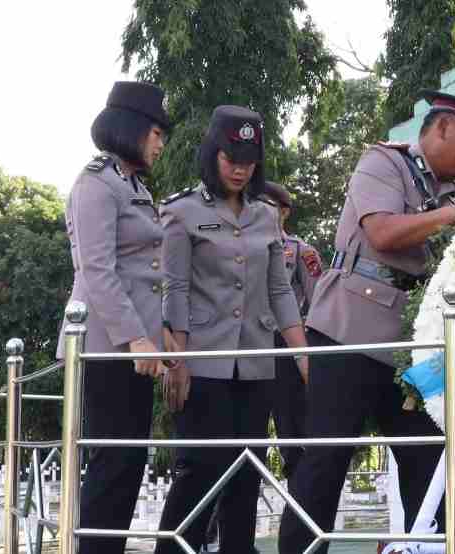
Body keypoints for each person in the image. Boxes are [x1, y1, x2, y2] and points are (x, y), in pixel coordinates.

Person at [278, 90, 455, 554]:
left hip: (409, 347)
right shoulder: (385, 162)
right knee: (325, 462)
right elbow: (381, 232)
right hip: (348, 333)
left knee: (428, 464)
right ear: (442, 127)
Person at [155, 106, 308, 554]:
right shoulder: (181, 211)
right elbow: (175, 289)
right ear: (212, 155)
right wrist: (179, 362)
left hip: (257, 363)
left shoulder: (265, 215)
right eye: (230, 158)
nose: (240, 169)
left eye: (249, 161)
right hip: (202, 363)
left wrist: (304, 357)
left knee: (247, 472)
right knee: (199, 471)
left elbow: (280, 291)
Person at [55, 81, 170, 554]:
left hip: (133, 348)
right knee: (112, 466)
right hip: (107, 347)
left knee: (127, 465)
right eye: (157, 134)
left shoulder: (131, 184)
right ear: (132, 128)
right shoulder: (97, 183)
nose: (160, 145)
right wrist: (136, 339)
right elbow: (97, 270)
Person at [262, 180, 323, 481]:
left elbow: (318, 305)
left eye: (267, 205)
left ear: (284, 212)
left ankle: (299, 500)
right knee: (245, 431)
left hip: (286, 346)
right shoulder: (243, 247)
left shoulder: (301, 252)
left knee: (292, 428)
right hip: (249, 345)